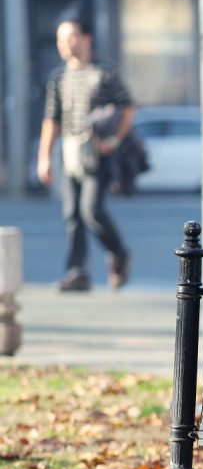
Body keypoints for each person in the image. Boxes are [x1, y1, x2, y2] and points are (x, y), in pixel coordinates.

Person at [37, 17, 133, 292]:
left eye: (70, 37)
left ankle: (119, 253)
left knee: (91, 210)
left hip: (98, 154)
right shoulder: (58, 77)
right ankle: (77, 273)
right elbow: (51, 120)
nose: (64, 44)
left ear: (86, 38)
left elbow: (128, 107)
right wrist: (44, 157)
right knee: (72, 214)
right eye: (60, 39)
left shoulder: (105, 72)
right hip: (69, 152)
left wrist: (114, 141)